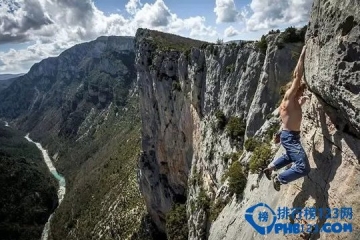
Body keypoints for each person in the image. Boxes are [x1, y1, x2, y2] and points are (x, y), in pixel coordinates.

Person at [263, 45, 311, 191]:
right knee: (303, 167)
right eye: (300, 90)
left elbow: (293, 114)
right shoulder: (289, 98)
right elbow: (297, 75)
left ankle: (271, 167)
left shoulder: (294, 102)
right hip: (289, 136)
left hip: (290, 135)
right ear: (294, 90)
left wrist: (302, 101)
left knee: (291, 155)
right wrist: (303, 54)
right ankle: (280, 178)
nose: (301, 92)